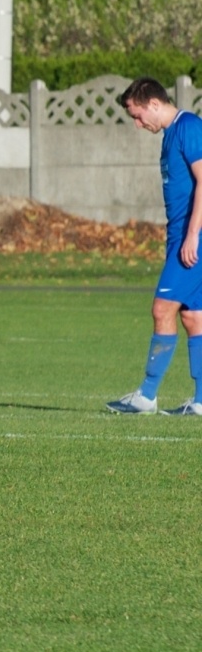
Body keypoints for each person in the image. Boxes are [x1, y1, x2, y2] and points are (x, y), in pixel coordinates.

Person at [106, 77, 202, 416]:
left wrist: (192, 235)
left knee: (162, 310)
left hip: (194, 239)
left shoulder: (188, 126)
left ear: (155, 104)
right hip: (180, 237)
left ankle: (146, 395)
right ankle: (201, 402)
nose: (136, 123)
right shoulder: (169, 136)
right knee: (192, 316)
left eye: (137, 115)